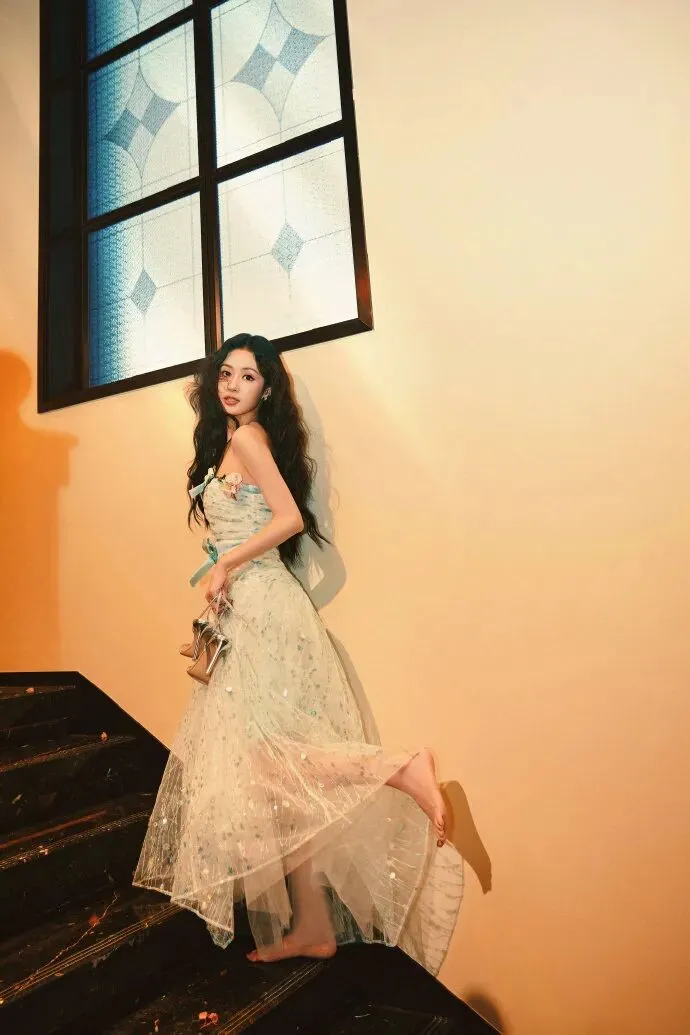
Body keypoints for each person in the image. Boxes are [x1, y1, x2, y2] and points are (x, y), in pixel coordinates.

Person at [132, 333, 464, 976]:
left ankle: (402, 767)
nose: (233, 386)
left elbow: (289, 519)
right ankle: (313, 923)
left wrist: (225, 562)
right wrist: (223, 580)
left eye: (248, 377)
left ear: (267, 388)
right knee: (271, 782)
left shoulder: (248, 440)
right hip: (248, 608)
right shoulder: (231, 440)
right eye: (226, 374)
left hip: (265, 610)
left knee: (271, 762)